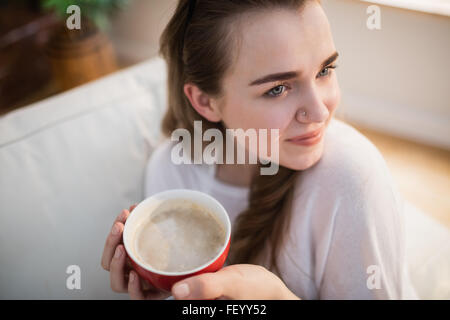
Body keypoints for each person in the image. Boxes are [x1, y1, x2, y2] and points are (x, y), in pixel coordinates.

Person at [101, 0, 418, 300]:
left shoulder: (352, 180)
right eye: (278, 89)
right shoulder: (171, 169)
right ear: (205, 101)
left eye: (325, 70)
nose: (320, 112)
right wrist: (169, 289)